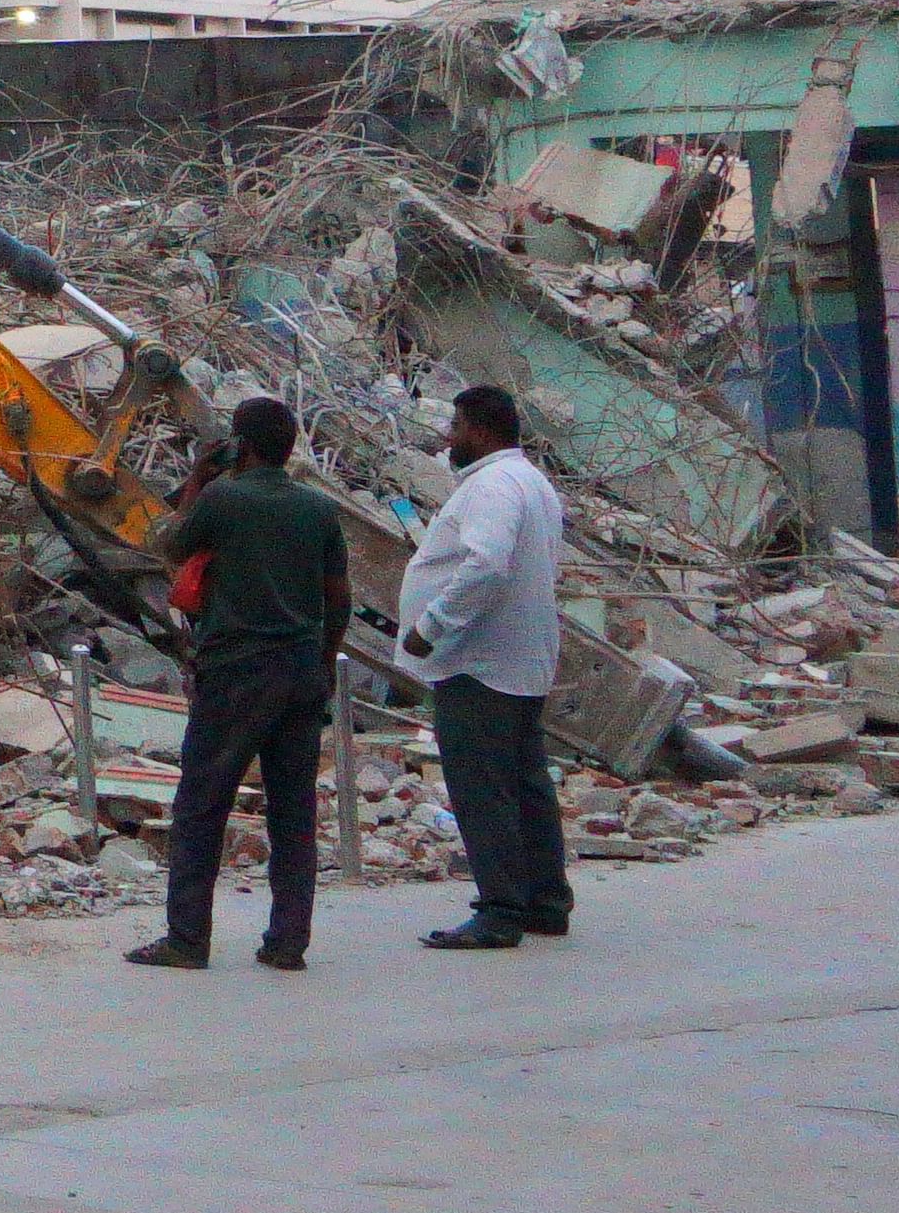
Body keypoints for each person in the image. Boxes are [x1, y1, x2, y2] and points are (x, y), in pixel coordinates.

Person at [124, 395, 349, 975]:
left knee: (203, 804)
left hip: (237, 672)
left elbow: (171, 545)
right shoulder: (320, 510)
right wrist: (322, 661)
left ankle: (187, 939)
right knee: (293, 810)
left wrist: (198, 477)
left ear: (240, 445)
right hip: (300, 672)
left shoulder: (224, 497)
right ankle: (287, 942)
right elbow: (338, 600)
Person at [404, 383, 577, 951]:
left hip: (479, 662)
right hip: (517, 659)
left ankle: (500, 910)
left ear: (479, 430)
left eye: (455, 428)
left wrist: (432, 626)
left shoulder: (495, 485)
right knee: (526, 782)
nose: (449, 439)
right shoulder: (530, 481)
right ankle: (545, 902)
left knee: (483, 787)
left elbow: (486, 565)